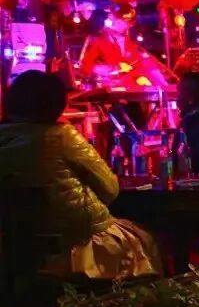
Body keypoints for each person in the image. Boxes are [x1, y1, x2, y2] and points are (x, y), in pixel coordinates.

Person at [0, 71, 161, 279]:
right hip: (79, 243)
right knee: (146, 239)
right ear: (55, 104)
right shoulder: (62, 136)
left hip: (18, 250)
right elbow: (110, 189)